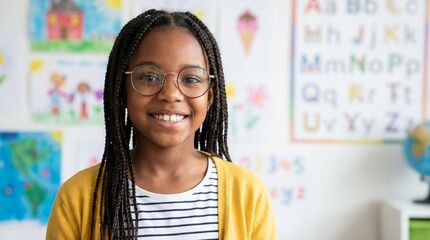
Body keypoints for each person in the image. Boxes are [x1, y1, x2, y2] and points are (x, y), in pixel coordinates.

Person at [46, 9, 277, 240]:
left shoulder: (248, 195)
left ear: (210, 96)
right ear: (122, 91)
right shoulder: (78, 198)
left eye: (191, 79)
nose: (170, 94)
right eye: (148, 76)